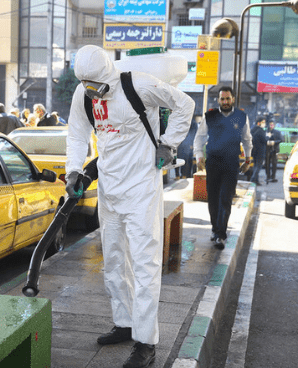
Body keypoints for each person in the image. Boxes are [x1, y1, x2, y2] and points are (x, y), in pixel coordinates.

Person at [65, 45, 194, 368]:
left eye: (95, 85)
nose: (92, 92)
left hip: (142, 190)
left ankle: (146, 342)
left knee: (144, 264)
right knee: (113, 261)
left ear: (106, 74)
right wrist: (73, 169)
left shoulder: (138, 85)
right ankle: (124, 322)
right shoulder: (84, 95)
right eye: (86, 85)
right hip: (110, 190)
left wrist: (169, 143)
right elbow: (78, 134)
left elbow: (184, 104)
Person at [193, 86, 252, 250]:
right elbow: (199, 138)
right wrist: (199, 156)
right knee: (213, 198)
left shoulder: (241, 117)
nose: (225, 101)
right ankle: (215, 229)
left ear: (233, 99)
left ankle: (221, 234)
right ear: (218, 100)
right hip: (213, 163)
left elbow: (247, 139)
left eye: (228, 98)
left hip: (231, 163)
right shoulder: (210, 116)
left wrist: (248, 159)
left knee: (225, 198)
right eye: (222, 99)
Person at [176, 114, 198, 179]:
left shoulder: (193, 123)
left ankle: (184, 175)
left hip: (187, 144)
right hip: (182, 143)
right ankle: (180, 175)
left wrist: (192, 144)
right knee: (180, 158)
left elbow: (194, 134)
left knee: (186, 160)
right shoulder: (183, 121)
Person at [249, 117, 267, 186]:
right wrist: (268, 137)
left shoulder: (252, 129)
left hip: (254, 150)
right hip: (260, 151)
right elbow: (264, 140)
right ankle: (253, 179)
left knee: (255, 165)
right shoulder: (261, 131)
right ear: (259, 123)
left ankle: (256, 180)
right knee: (258, 166)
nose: (264, 124)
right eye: (263, 122)